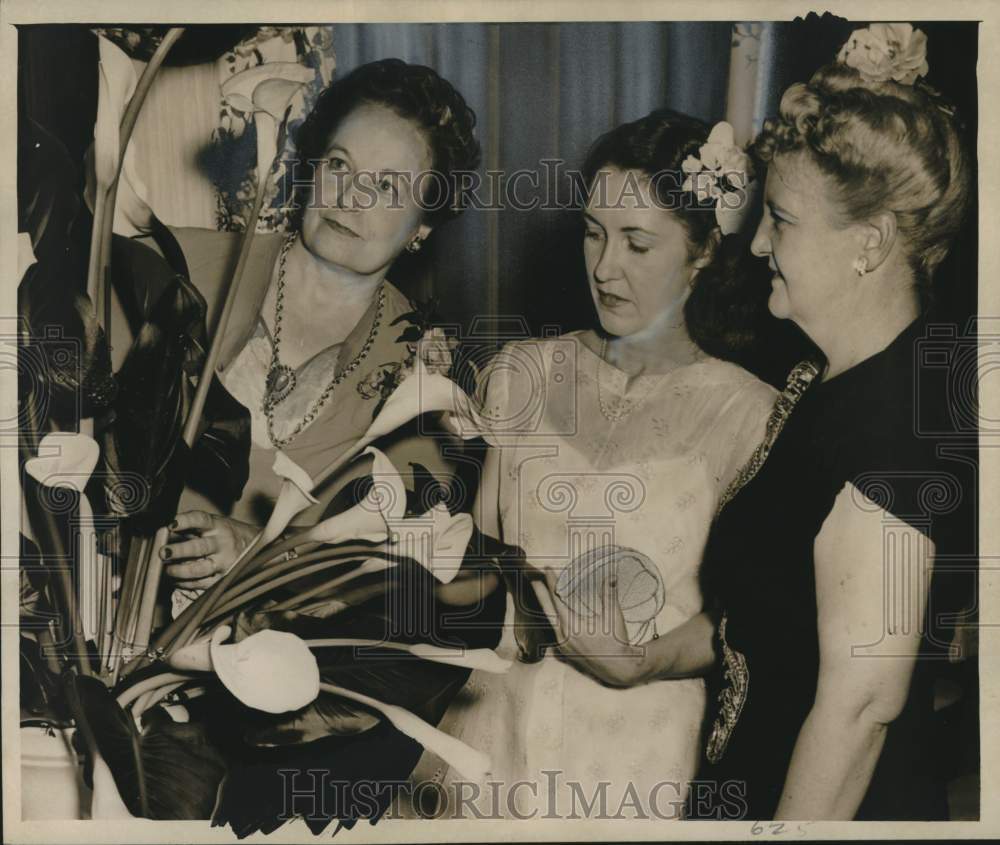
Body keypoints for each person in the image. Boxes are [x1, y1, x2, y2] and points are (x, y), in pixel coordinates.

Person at [557, 24, 973, 821]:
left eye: (779, 220)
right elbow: (768, 619)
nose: (754, 244)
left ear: (871, 242)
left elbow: (861, 710)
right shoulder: (822, 382)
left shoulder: (895, 428)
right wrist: (642, 661)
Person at [403, 108, 778, 819]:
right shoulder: (522, 372)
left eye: (638, 243)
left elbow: (749, 618)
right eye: (593, 232)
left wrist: (644, 658)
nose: (604, 267)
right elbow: (476, 563)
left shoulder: (749, 414)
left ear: (702, 253)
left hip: (644, 752)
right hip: (496, 731)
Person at [133, 59, 482, 597]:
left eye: (388, 188)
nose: (351, 198)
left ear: (423, 225)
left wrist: (260, 552)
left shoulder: (419, 370)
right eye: (340, 165)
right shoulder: (180, 265)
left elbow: (393, 574)